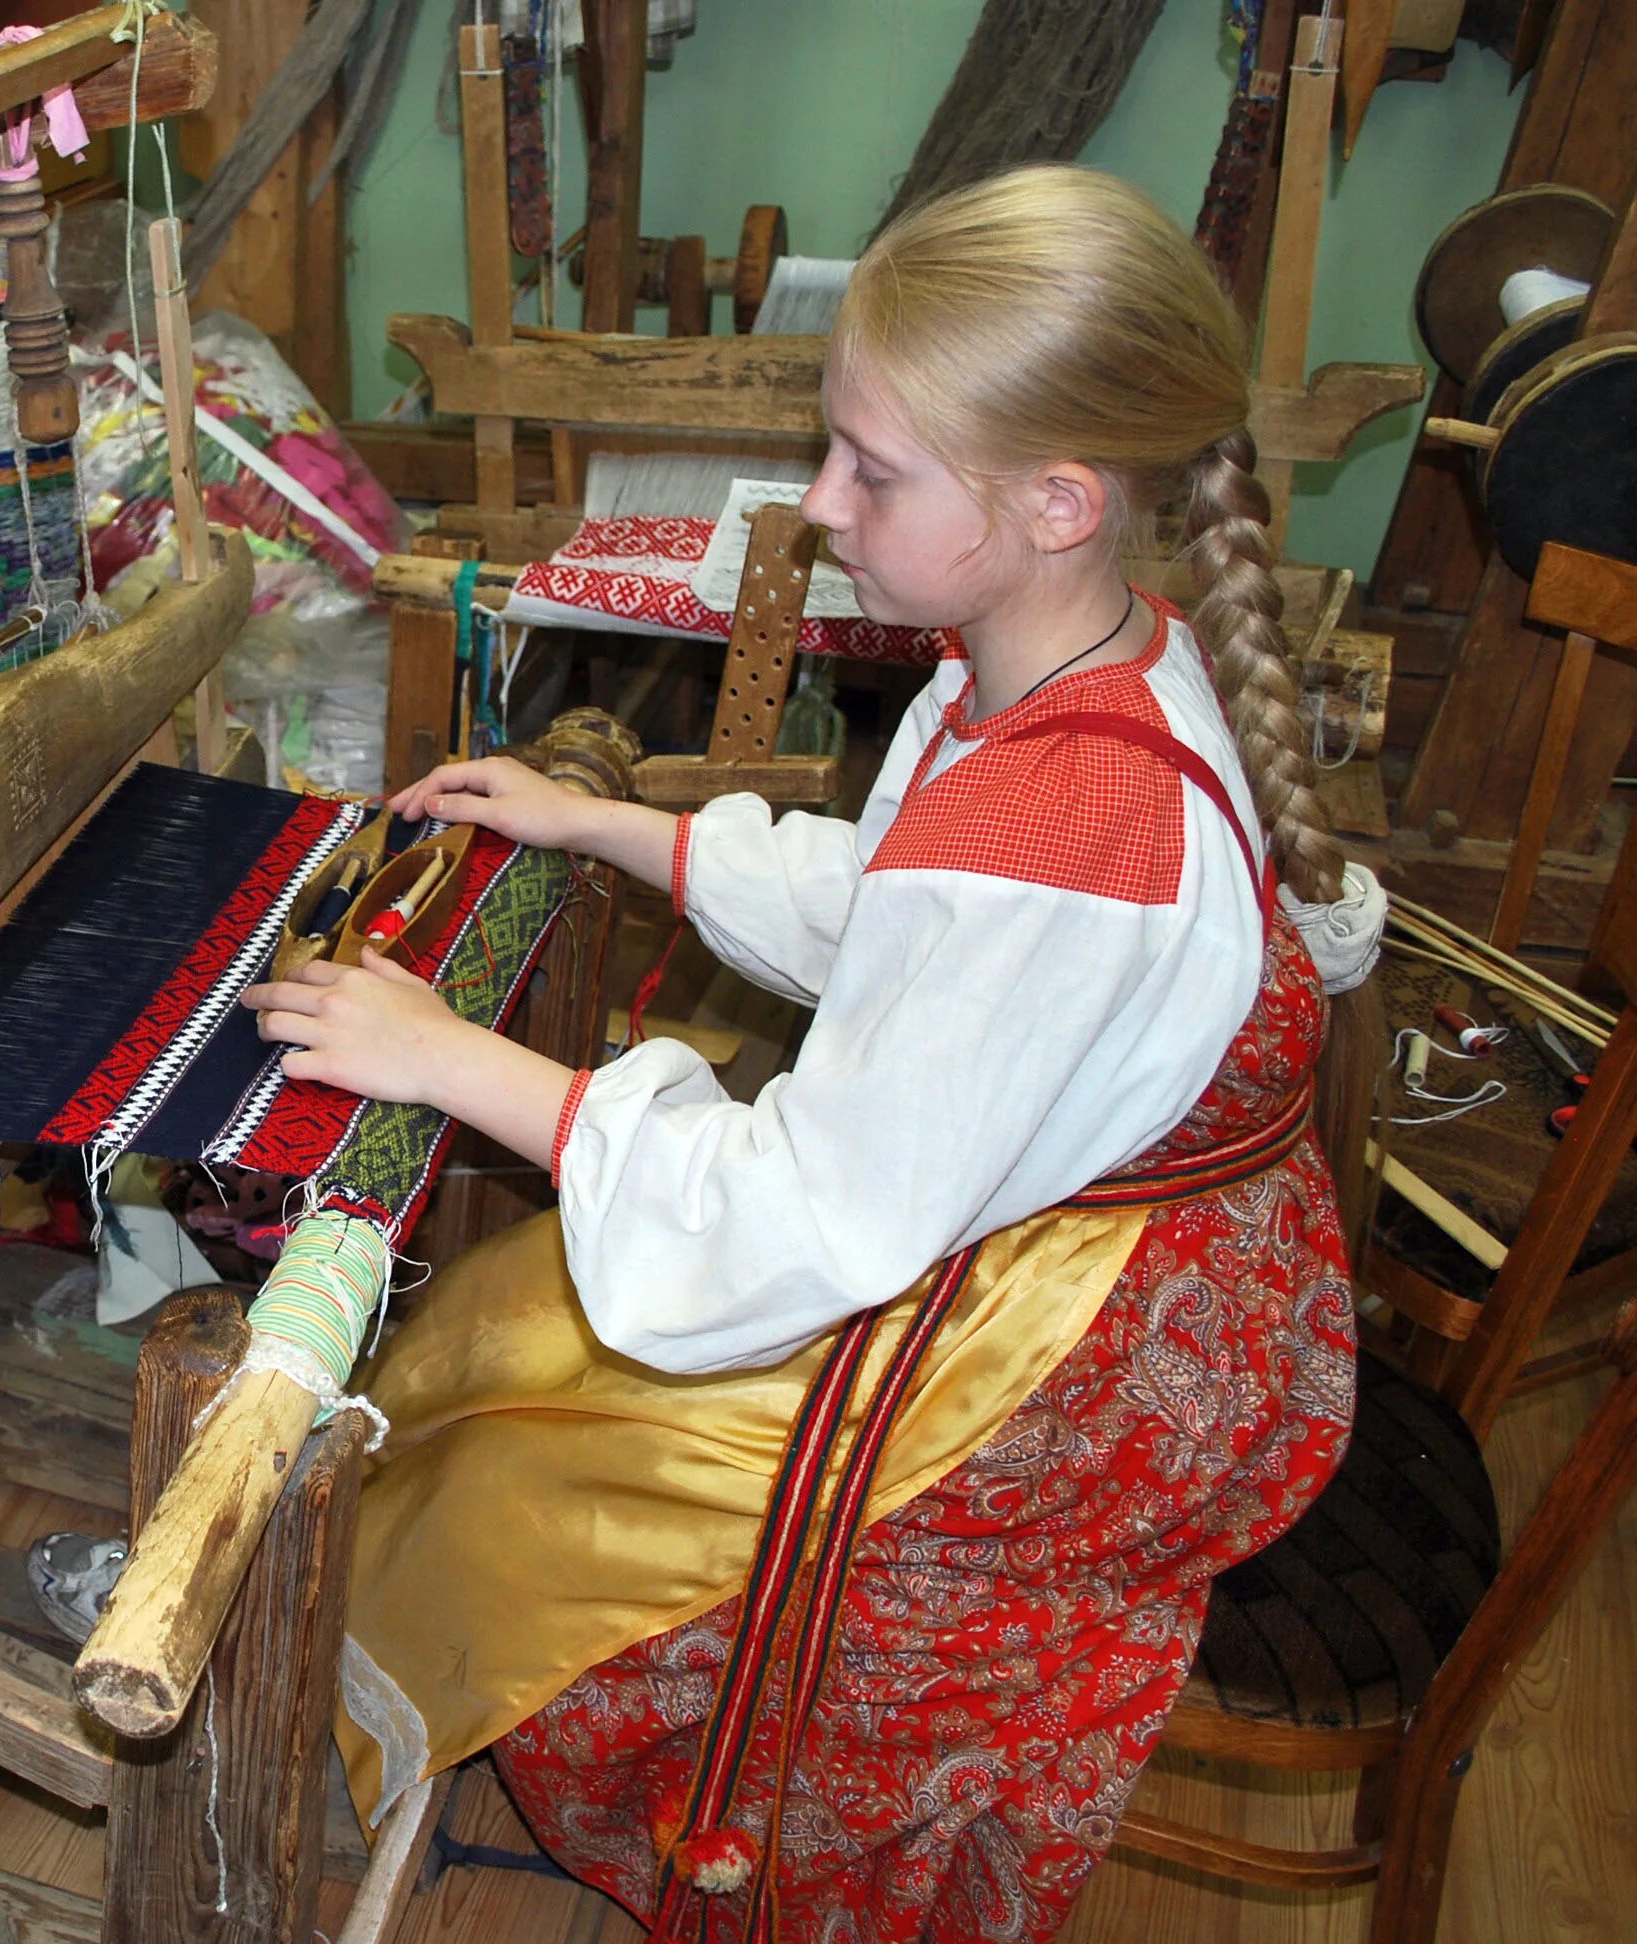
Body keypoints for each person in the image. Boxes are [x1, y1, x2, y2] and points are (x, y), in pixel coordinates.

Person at [237, 166, 1386, 1941]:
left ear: (1059, 499)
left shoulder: (1072, 830)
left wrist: (452, 1058)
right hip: (1105, 1238)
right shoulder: (1055, 658)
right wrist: (609, 829)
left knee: (529, 1491)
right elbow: (911, 914)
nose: (821, 502)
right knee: (506, 1329)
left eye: (871, 467)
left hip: (1102, 1355)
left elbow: (803, 1217)